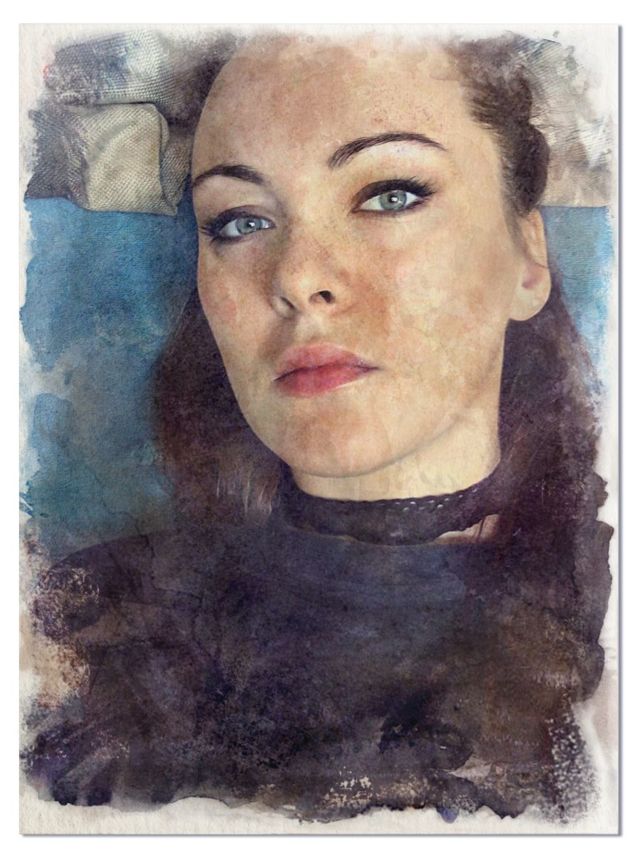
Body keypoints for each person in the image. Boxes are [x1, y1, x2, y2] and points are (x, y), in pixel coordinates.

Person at [23, 31, 612, 824]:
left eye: (391, 194)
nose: (299, 277)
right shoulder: (78, 628)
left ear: (528, 258)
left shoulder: (608, 641)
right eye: (239, 221)